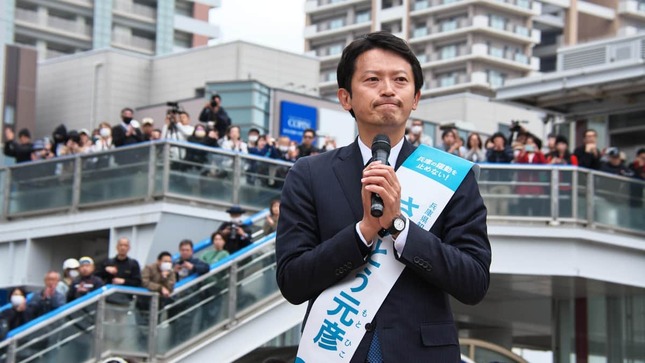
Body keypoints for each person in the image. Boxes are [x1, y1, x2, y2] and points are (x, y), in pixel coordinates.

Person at [276, 31, 491, 362]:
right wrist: (363, 232)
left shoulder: (451, 176)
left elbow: (474, 282)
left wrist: (400, 227)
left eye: (400, 80)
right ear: (345, 97)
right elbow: (292, 281)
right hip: (336, 351)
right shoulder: (308, 174)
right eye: (373, 79)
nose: (388, 89)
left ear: (416, 97)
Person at [515, 134, 548, 216]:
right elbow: (518, 163)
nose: (529, 145)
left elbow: (544, 163)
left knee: (536, 206)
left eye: (531, 143)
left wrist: (538, 152)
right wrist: (523, 153)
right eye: (528, 143)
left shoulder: (538, 154)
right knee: (523, 207)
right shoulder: (523, 154)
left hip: (536, 183)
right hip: (524, 183)